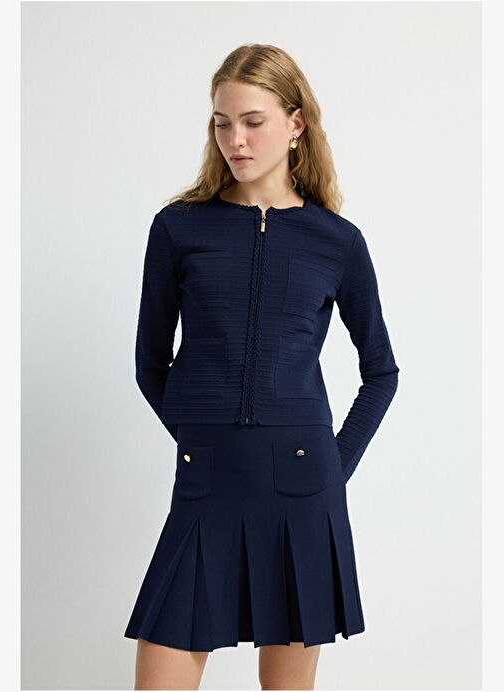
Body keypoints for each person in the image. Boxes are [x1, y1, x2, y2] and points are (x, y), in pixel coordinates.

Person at [124, 43, 400, 690]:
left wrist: (334, 464)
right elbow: (149, 363)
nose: (235, 140)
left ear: (295, 123)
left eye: (252, 121)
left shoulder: (336, 241)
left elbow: (381, 372)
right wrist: (200, 435)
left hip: (304, 485)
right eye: (222, 123)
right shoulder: (179, 228)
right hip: (206, 482)